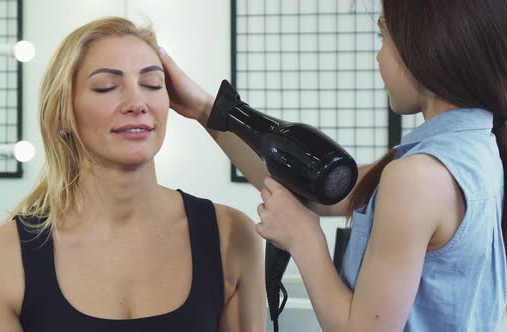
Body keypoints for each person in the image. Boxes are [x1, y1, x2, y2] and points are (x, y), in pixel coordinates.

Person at [157, 0, 507, 330]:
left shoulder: (419, 177)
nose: (378, 56)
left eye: (383, 36)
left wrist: (304, 238)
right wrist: (207, 110)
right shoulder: (475, 148)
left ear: (428, 45)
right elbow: (319, 192)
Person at [0, 17, 266, 332]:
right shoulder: (0, 259)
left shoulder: (231, 236)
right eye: (106, 86)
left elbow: (309, 196)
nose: (137, 103)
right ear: (63, 112)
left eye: (152, 84)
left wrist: (205, 107)